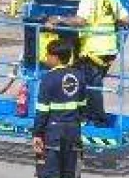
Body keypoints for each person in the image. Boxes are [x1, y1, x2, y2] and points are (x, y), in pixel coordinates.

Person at [31, 34, 93, 178]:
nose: (46, 57)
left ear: (56, 58)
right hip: (73, 131)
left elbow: (42, 111)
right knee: (70, 172)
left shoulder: (48, 78)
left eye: (48, 55)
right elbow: (83, 106)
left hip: (53, 132)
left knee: (49, 172)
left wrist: (37, 134)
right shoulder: (79, 76)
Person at [75, 0, 129, 110]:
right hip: (110, 50)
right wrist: (114, 22)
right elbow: (128, 20)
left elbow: (80, 21)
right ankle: (92, 114)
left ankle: (97, 117)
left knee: (91, 87)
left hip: (93, 50)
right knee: (94, 84)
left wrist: (59, 20)